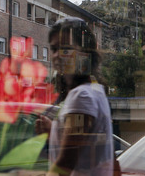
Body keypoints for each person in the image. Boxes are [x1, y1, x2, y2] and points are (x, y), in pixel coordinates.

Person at [36, 17, 114, 176]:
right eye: (54, 48)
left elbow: (66, 163)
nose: (58, 55)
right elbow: (81, 147)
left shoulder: (82, 97)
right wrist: (55, 132)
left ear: (85, 52)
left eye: (66, 48)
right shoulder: (93, 91)